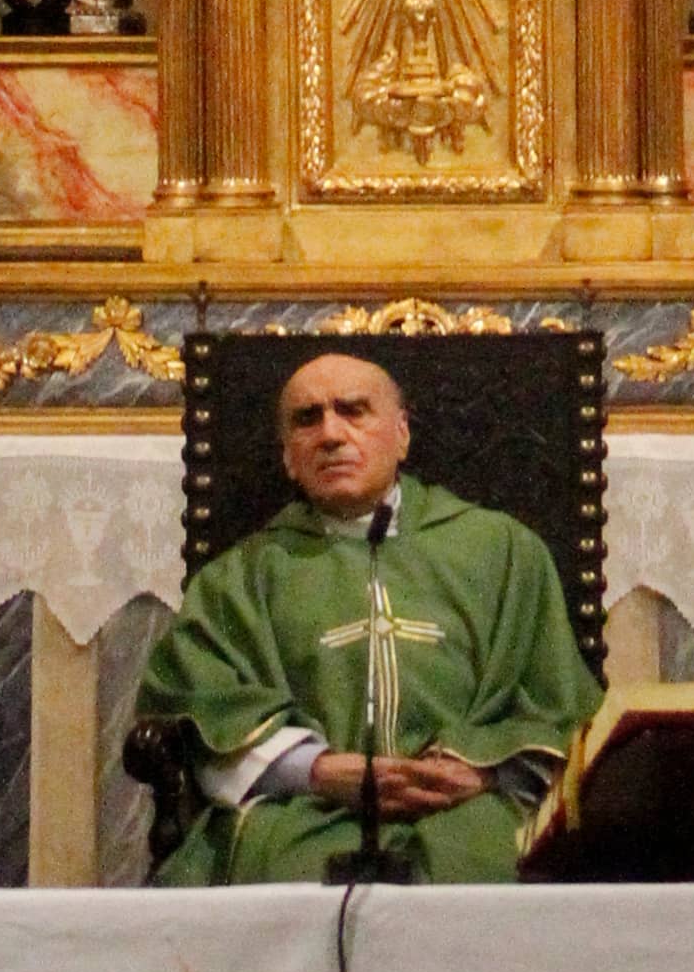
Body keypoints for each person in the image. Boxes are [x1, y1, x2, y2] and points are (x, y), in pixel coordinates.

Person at [134, 348, 596, 882]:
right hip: (304, 811)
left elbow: (558, 707)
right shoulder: (238, 580)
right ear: (288, 457)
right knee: (277, 867)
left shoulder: (505, 552)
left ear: (401, 435)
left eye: (353, 411)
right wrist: (315, 770)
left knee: (495, 860)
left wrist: (485, 774)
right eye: (307, 419)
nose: (331, 434)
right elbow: (202, 706)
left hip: (472, 806)